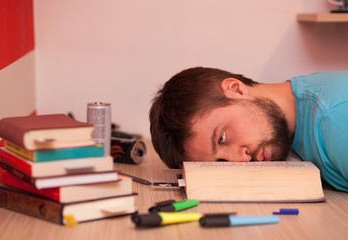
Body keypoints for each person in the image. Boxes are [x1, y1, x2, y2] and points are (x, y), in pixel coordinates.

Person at [149, 67, 348, 191]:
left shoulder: (336, 119)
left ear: (236, 89)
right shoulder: (293, 112)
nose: (241, 160)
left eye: (222, 137)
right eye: (220, 162)